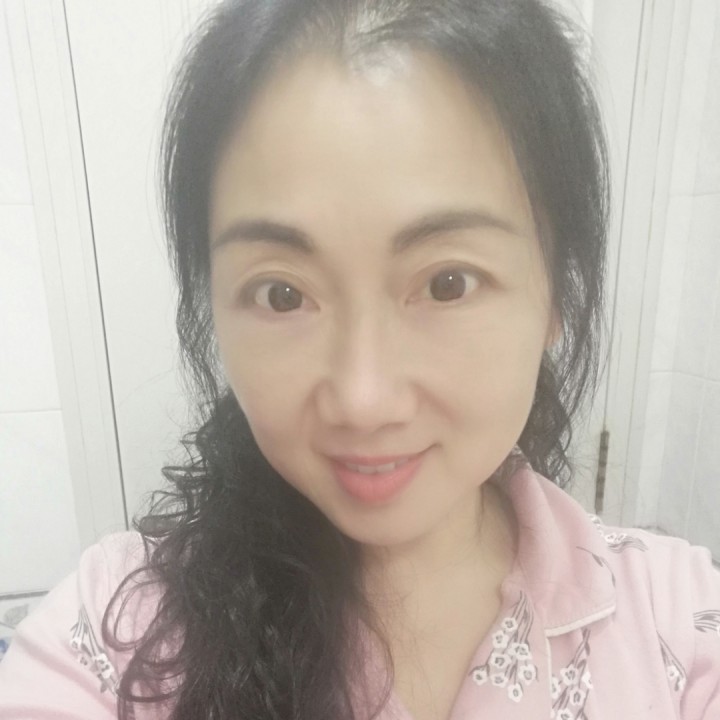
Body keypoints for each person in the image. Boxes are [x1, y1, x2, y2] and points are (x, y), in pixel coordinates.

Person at [1, 0, 719, 718]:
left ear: (556, 292)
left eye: (447, 283)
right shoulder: (114, 638)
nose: (363, 398)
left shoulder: (680, 631)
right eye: (282, 294)